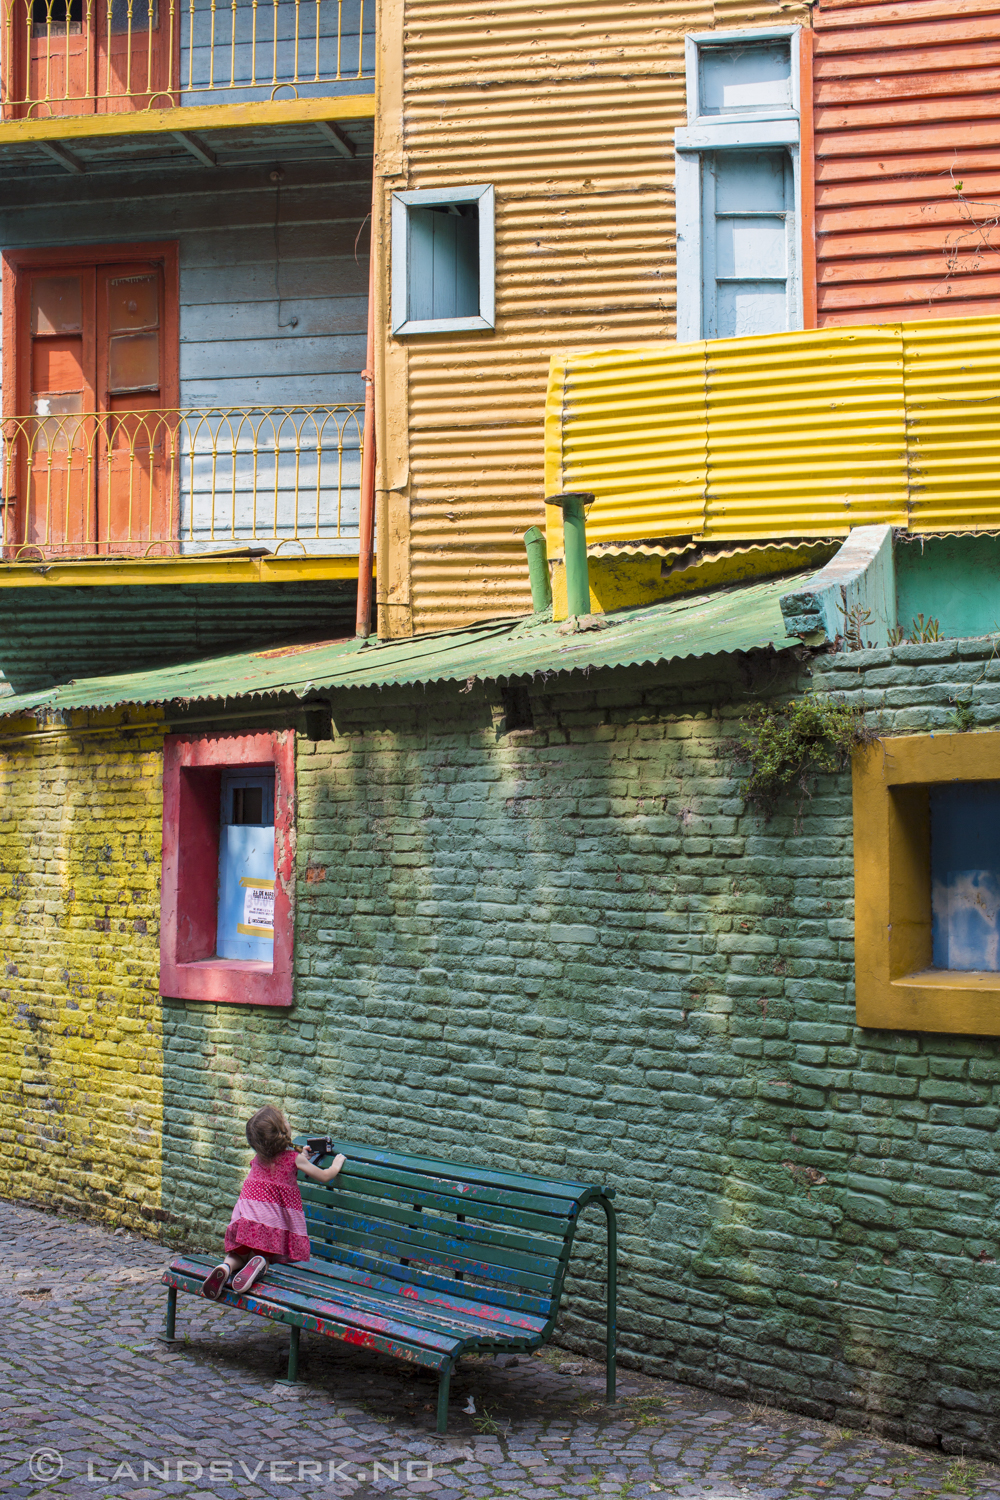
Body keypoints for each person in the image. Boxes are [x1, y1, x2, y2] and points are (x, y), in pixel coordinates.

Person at [201, 1105, 346, 1298]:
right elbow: (325, 1176)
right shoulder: (293, 1159)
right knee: (263, 1254)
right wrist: (336, 1164)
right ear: (281, 1132)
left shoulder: (260, 1157)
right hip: (268, 1221)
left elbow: (278, 1166)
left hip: (247, 1216)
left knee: (239, 1254)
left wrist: (303, 1157)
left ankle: (226, 1267)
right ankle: (258, 1264)